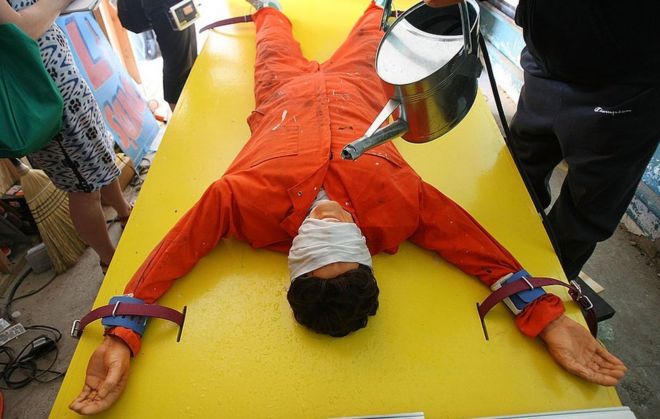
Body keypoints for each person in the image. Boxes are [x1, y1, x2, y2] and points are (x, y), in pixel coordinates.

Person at [69, 2, 627, 415]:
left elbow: (176, 248)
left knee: (270, 31)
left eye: (316, 246)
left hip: (282, 91)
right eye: (345, 239)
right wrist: (543, 314)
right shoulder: (395, 207)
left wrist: (124, 330)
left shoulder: (242, 201)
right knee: (376, 28)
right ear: (366, 250)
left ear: (293, 261)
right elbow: (471, 244)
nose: (329, 221)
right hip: (362, 87)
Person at [427, 0, 660, 281]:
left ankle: (545, 290)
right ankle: (493, 259)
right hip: (545, 58)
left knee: (582, 217)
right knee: (518, 172)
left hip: (624, 90)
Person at [1, 0, 133, 273]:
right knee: (83, 188)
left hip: (65, 83)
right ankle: (110, 259)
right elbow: (18, 29)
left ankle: (124, 211)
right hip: (43, 100)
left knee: (100, 153)